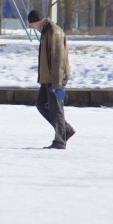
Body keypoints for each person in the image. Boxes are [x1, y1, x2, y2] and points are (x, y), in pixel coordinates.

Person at [28, 10, 75, 149]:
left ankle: (60, 140)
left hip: (55, 78)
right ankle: (65, 129)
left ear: (38, 21)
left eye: (32, 25)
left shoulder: (54, 32)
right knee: (41, 104)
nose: (33, 27)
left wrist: (58, 84)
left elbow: (58, 60)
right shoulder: (46, 31)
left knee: (56, 109)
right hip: (47, 78)